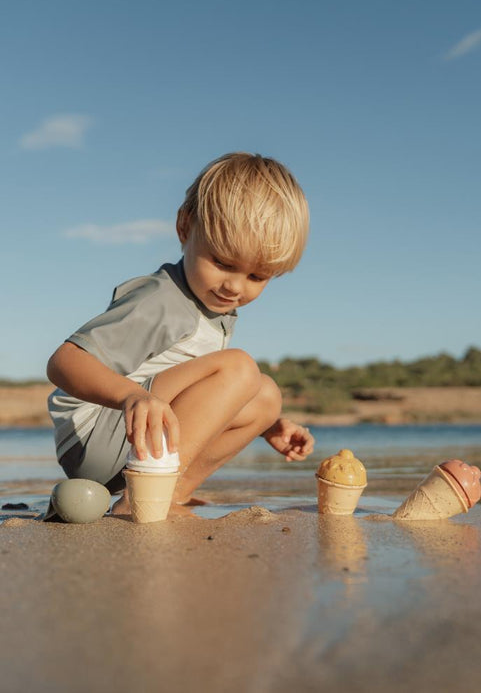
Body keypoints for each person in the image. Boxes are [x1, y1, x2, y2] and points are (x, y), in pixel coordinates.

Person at [46, 152, 314, 516]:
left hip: (132, 439)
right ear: (185, 229)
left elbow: (200, 396)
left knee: (265, 395)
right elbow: (64, 361)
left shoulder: (213, 306)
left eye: (257, 277)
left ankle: (169, 494)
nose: (234, 287)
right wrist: (131, 396)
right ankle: (140, 500)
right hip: (95, 436)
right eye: (222, 263)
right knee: (238, 366)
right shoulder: (162, 301)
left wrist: (265, 426)